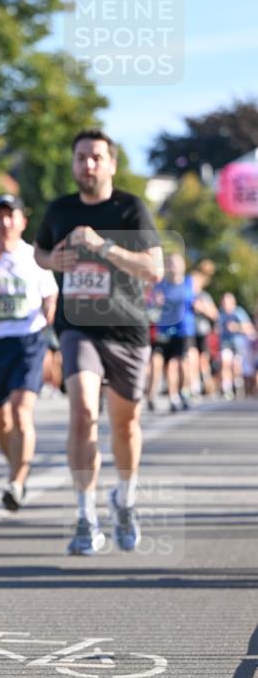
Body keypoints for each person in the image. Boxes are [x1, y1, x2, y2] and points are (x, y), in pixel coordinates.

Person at [35, 130, 163, 555]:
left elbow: (154, 269)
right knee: (83, 412)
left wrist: (103, 246)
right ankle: (85, 515)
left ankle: (124, 499)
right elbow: (39, 252)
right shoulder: (60, 209)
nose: (87, 165)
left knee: (125, 424)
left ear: (111, 164)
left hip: (126, 328)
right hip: (78, 327)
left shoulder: (130, 208)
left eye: (95, 158)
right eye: (81, 158)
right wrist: (52, 260)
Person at [0, 193, 58, 511]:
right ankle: (17, 466)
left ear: (22, 221)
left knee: (20, 411)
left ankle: (16, 482)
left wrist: (49, 307)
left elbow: (50, 292)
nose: (4, 222)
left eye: (10, 216)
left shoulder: (35, 256)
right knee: (1, 419)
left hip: (28, 341)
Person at [146, 252, 195, 413]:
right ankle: (171, 397)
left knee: (182, 365)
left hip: (183, 330)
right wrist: (155, 303)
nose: (173, 267)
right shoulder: (160, 286)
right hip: (164, 330)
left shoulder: (189, 283)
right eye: (170, 263)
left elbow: (195, 301)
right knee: (164, 363)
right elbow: (150, 308)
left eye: (175, 263)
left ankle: (184, 392)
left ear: (183, 266)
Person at [217, 292, 254, 399]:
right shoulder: (221, 314)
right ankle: (227, 389)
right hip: (226, 343)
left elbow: (249, 328)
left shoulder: (239, 312)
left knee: (236, 365)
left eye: (228, 303)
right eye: (224, 303)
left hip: (238, 343)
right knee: (226, 363)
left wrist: (237, 327)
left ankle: (238, 386)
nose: (226, 305)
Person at [189, 259, 218, 396]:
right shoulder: (187, 295)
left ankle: (207, 385)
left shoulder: (204, 296)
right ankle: (194, 387)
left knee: (203, 360)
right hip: (189, 332)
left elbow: (214, 314)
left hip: (202, 331)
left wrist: (202, 308)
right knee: (192, 358)